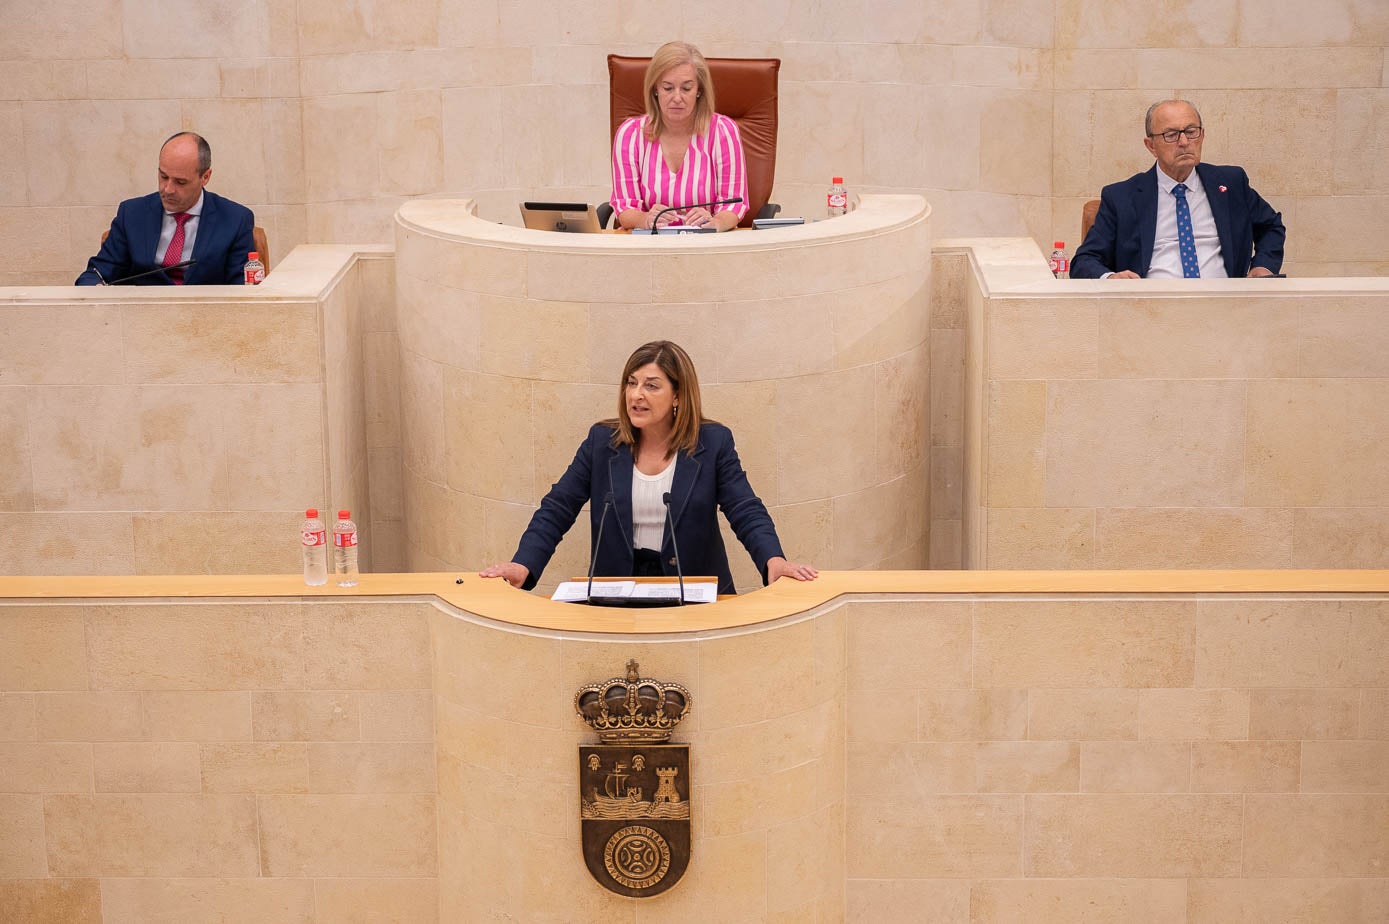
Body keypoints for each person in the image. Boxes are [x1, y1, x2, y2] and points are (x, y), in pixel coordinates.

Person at [481, 340, 817, 595]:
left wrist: (774, 559)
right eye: (631, 383)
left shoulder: (713, 444)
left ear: (677, 396)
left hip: (693, 591)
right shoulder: (602, 443)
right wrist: (523, 564)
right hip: (617, 592)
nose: (635, 395)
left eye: (651, 386)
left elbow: (746, 509)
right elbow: (557, 508)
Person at [1071, 100, 1285, 280]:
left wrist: (1263, 266)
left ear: (1202, 136)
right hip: (1151, 310)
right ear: (1151, 146)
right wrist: (1111, 278)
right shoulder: (1121, 197)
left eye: (1191, 132)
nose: (1184, 142)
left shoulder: (1230, 183)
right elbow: (1085, 261)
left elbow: (1271, 226)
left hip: (1224, 306)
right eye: (1171, 135)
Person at [76, 132, 256, 286]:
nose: (168, 189)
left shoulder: (235, 219)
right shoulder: (132, 214)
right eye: (163, 176)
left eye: (180, 182)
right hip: (143, 319)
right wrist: (96, 289)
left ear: (205, 177)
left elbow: (241, 290)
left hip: (205, 320)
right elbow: (95, 274)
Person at [610, 42, 749, 232]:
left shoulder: (723, 131)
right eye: (668, 88)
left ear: (699, 91)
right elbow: (625, 207)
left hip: (706, 245)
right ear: (655, 90)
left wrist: (715, 222)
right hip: (650, 247)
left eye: (686, 88)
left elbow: (733, 205)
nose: (677, 97)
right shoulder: (630, 134)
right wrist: (645, 219)